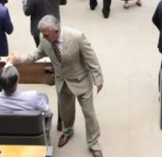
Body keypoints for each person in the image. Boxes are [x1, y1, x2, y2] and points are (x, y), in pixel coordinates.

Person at [13, 16, 104, 157]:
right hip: (63, 82)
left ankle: (94, 142)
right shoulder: (45, 39)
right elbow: (36, 53)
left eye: (46, 34)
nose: (43, 37)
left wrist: (98, 79)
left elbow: (91, 58)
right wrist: (19, 61)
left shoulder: (77, 37)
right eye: (43, 34)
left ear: (56, 30)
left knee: (89, 114)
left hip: (81, 81)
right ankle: (68, 131)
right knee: (66, 112)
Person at [0, 64, 53, 134]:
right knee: (43, 96)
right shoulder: (32, 97)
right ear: (17, 82)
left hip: (3, 140)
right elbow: (48, 113)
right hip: (30, 138)